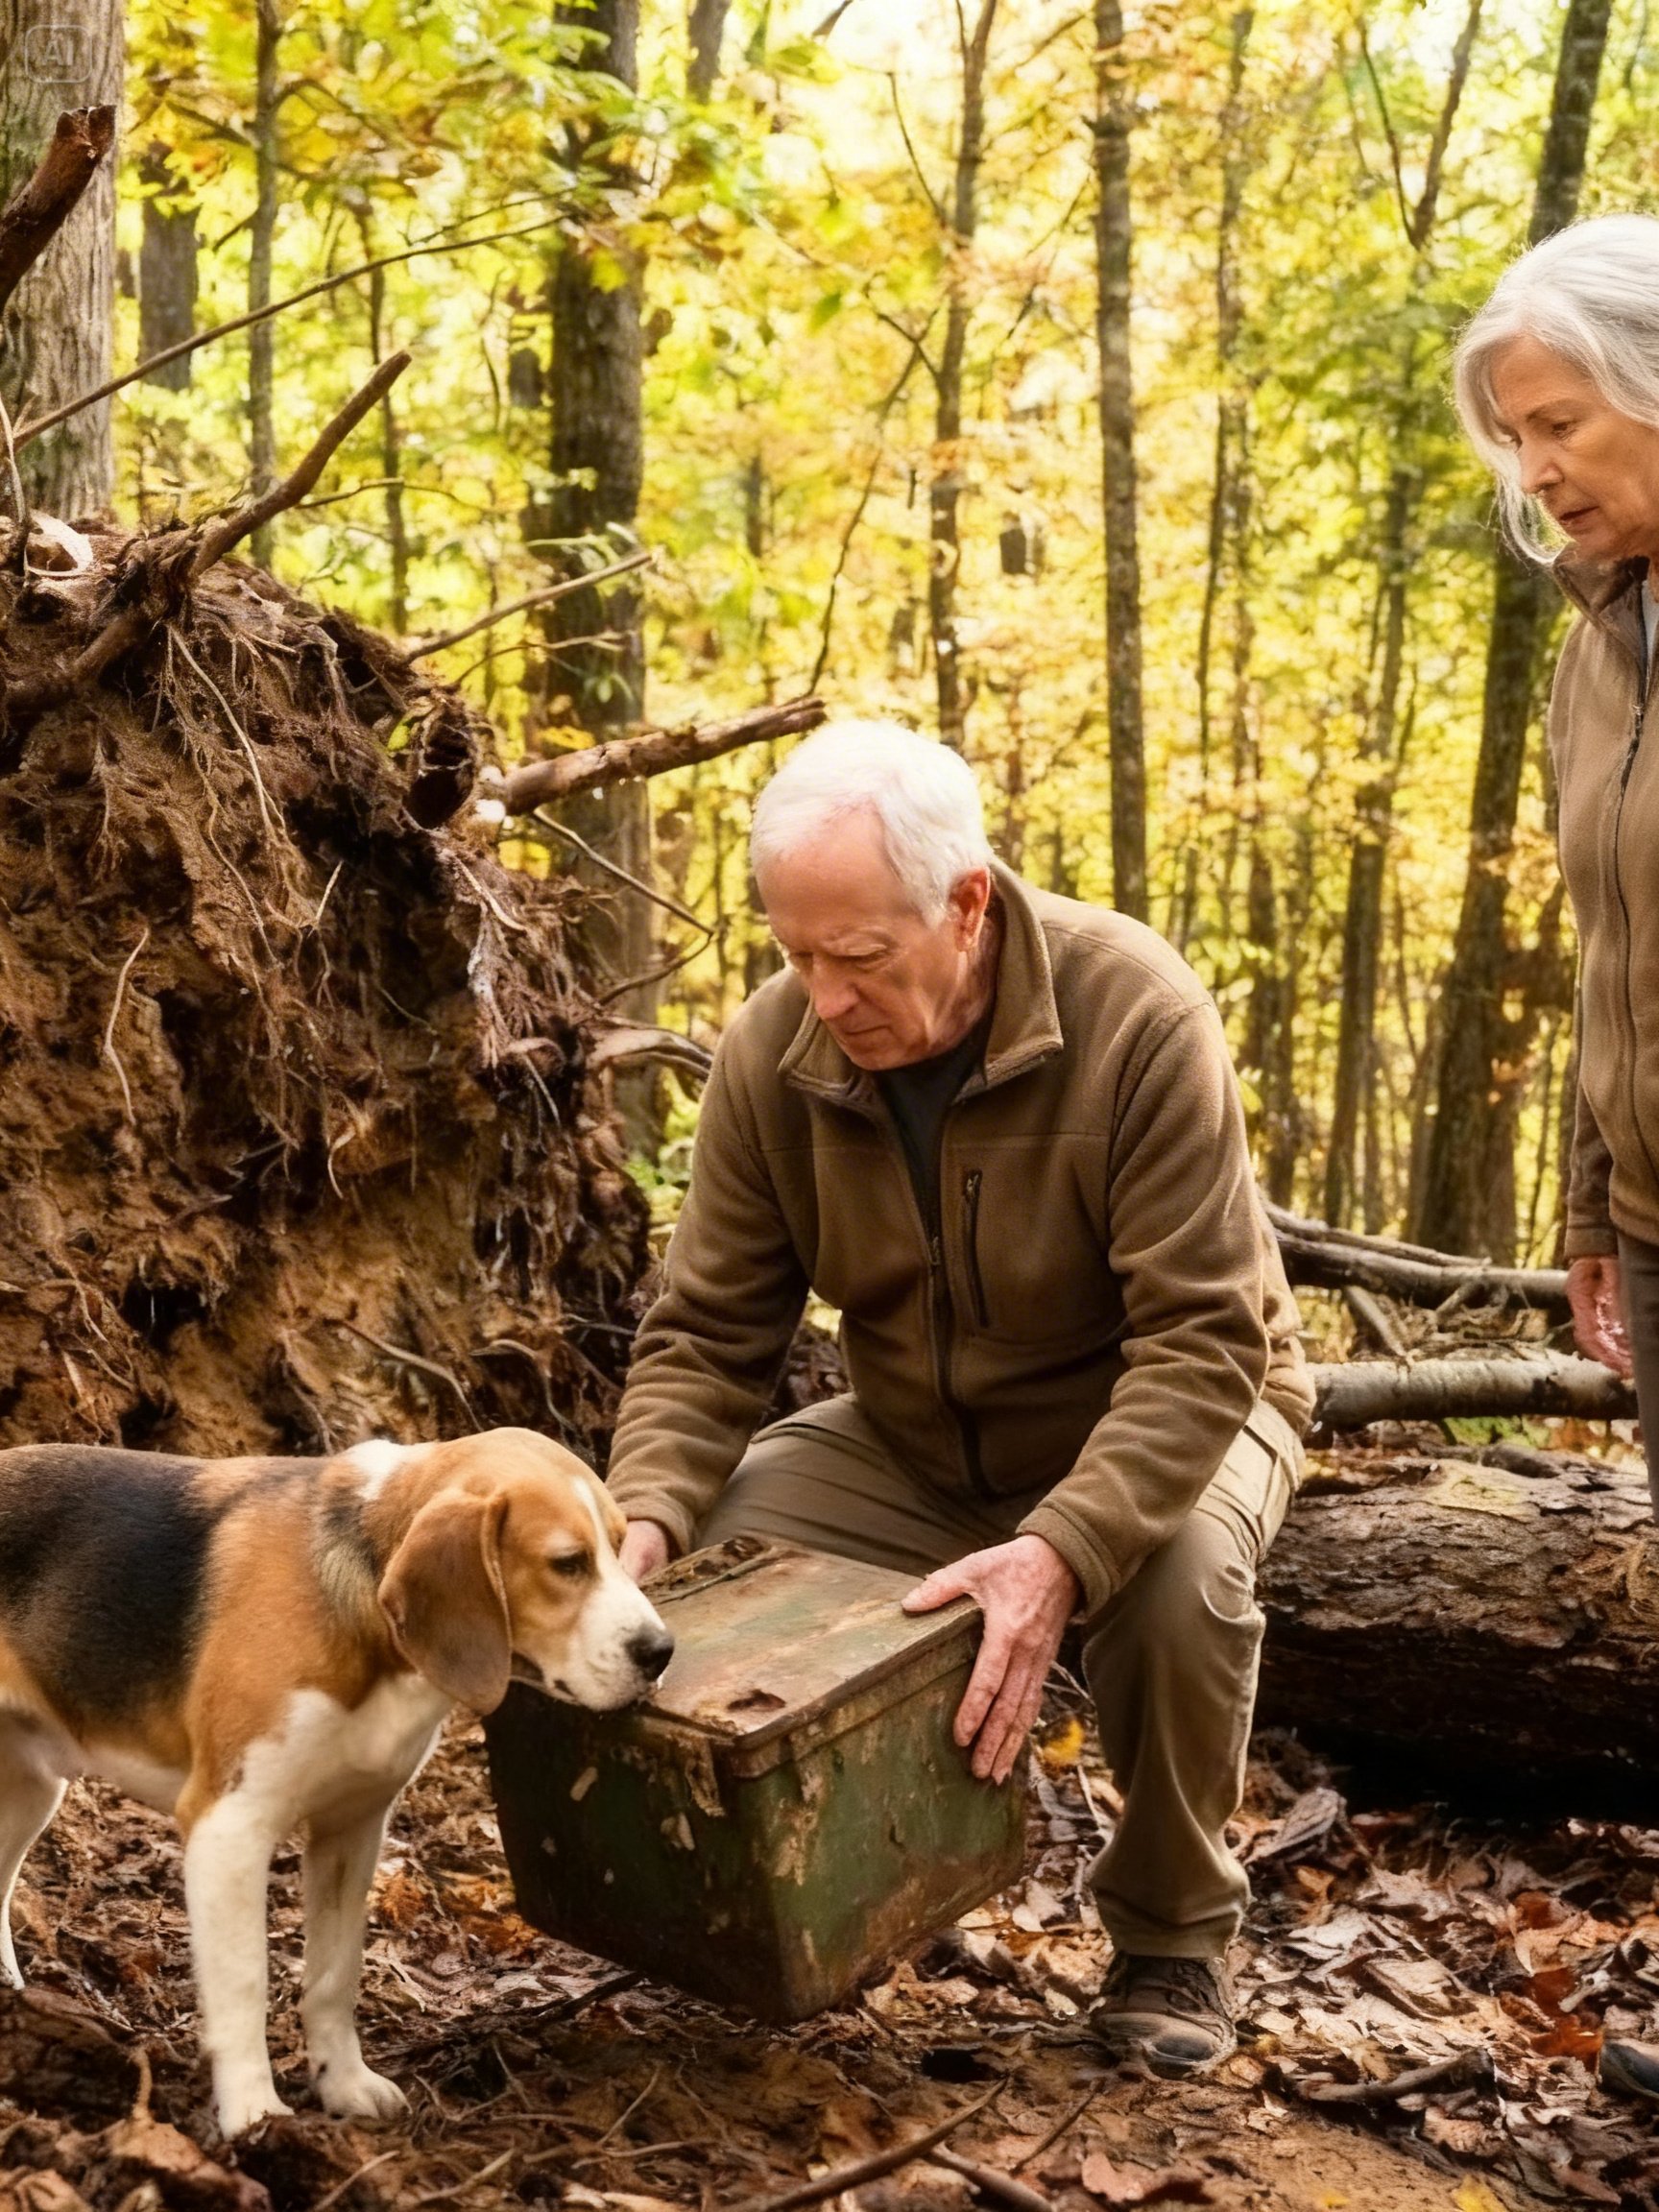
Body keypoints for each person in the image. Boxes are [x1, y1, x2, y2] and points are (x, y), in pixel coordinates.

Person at [604, 719, 1312, 2077]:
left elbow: (1206, 1342)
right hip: (914, 1435)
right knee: (722, 1552)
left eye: (860, 957)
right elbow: (704, 1337)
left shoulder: (1137, 1016)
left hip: (1177, 1402)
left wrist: (1063, 1550)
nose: (825, 995)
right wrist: (642, 1524)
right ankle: (814, 1899)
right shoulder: (773, 1053)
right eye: (795, 954)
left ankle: (1173, 1940)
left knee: (1169, 1592)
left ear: (968, 904)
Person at [1454, 211, 1659, 2105]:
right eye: (1514, 434)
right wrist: (1595, 1222)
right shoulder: (1602, 650)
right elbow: (1609, 956)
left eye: (1565, 423)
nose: (1539, 470)